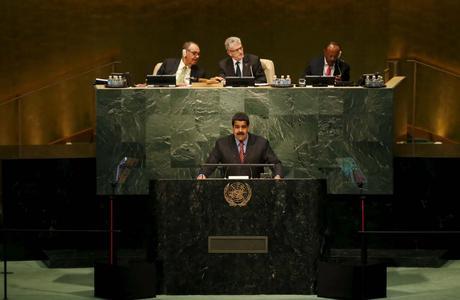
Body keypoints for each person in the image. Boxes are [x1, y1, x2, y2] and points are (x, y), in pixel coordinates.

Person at [197, 112, 282, 179]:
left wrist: (277, 175)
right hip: (229, 190)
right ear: (233, 128)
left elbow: (275, 163)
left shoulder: (261, 143)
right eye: (237, 127)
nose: (240, 130)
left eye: (243, 127)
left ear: (248, 127)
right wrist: (202, 174)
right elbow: (210, 163)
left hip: (255, 190)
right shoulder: (222, 144)